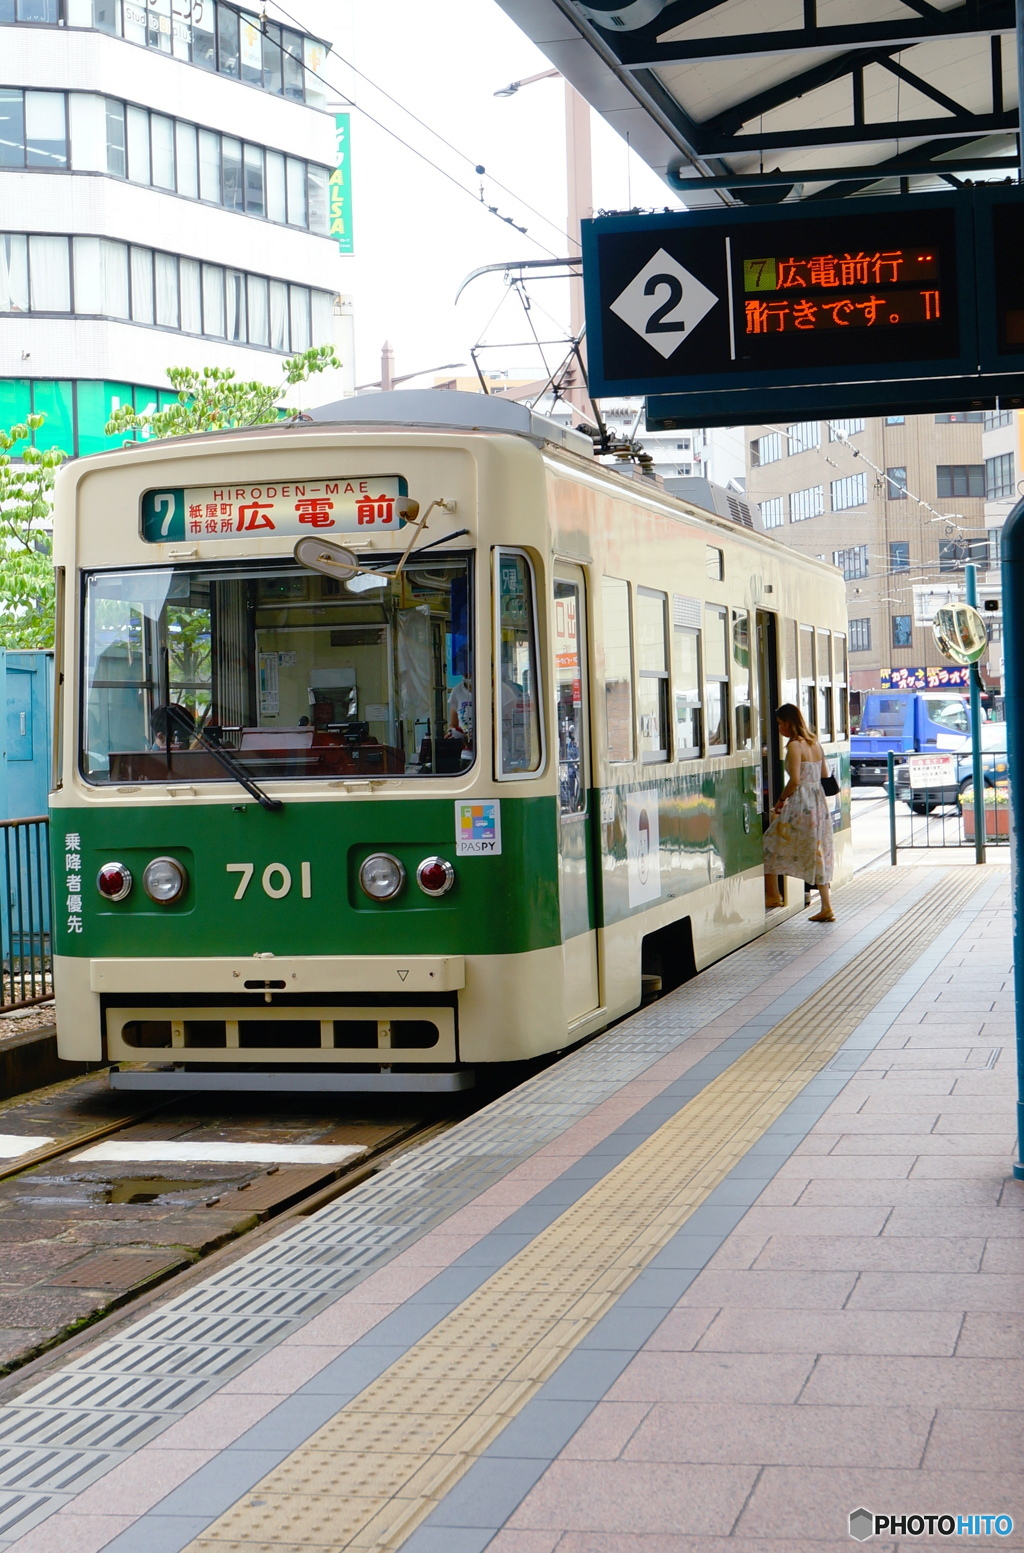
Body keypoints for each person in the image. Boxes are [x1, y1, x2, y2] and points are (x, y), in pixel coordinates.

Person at [762, 703, 835, 922]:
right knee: (817, 852)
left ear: (788, 723)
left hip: (800, 804)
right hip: (818, 803)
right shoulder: (814, 743)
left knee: (769, 844)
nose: (779, 729)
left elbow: (794, 780)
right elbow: (824, 774)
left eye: (780, 724)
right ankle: (826, 906)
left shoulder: (794, 746)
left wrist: (781, 800)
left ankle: (773, 894)